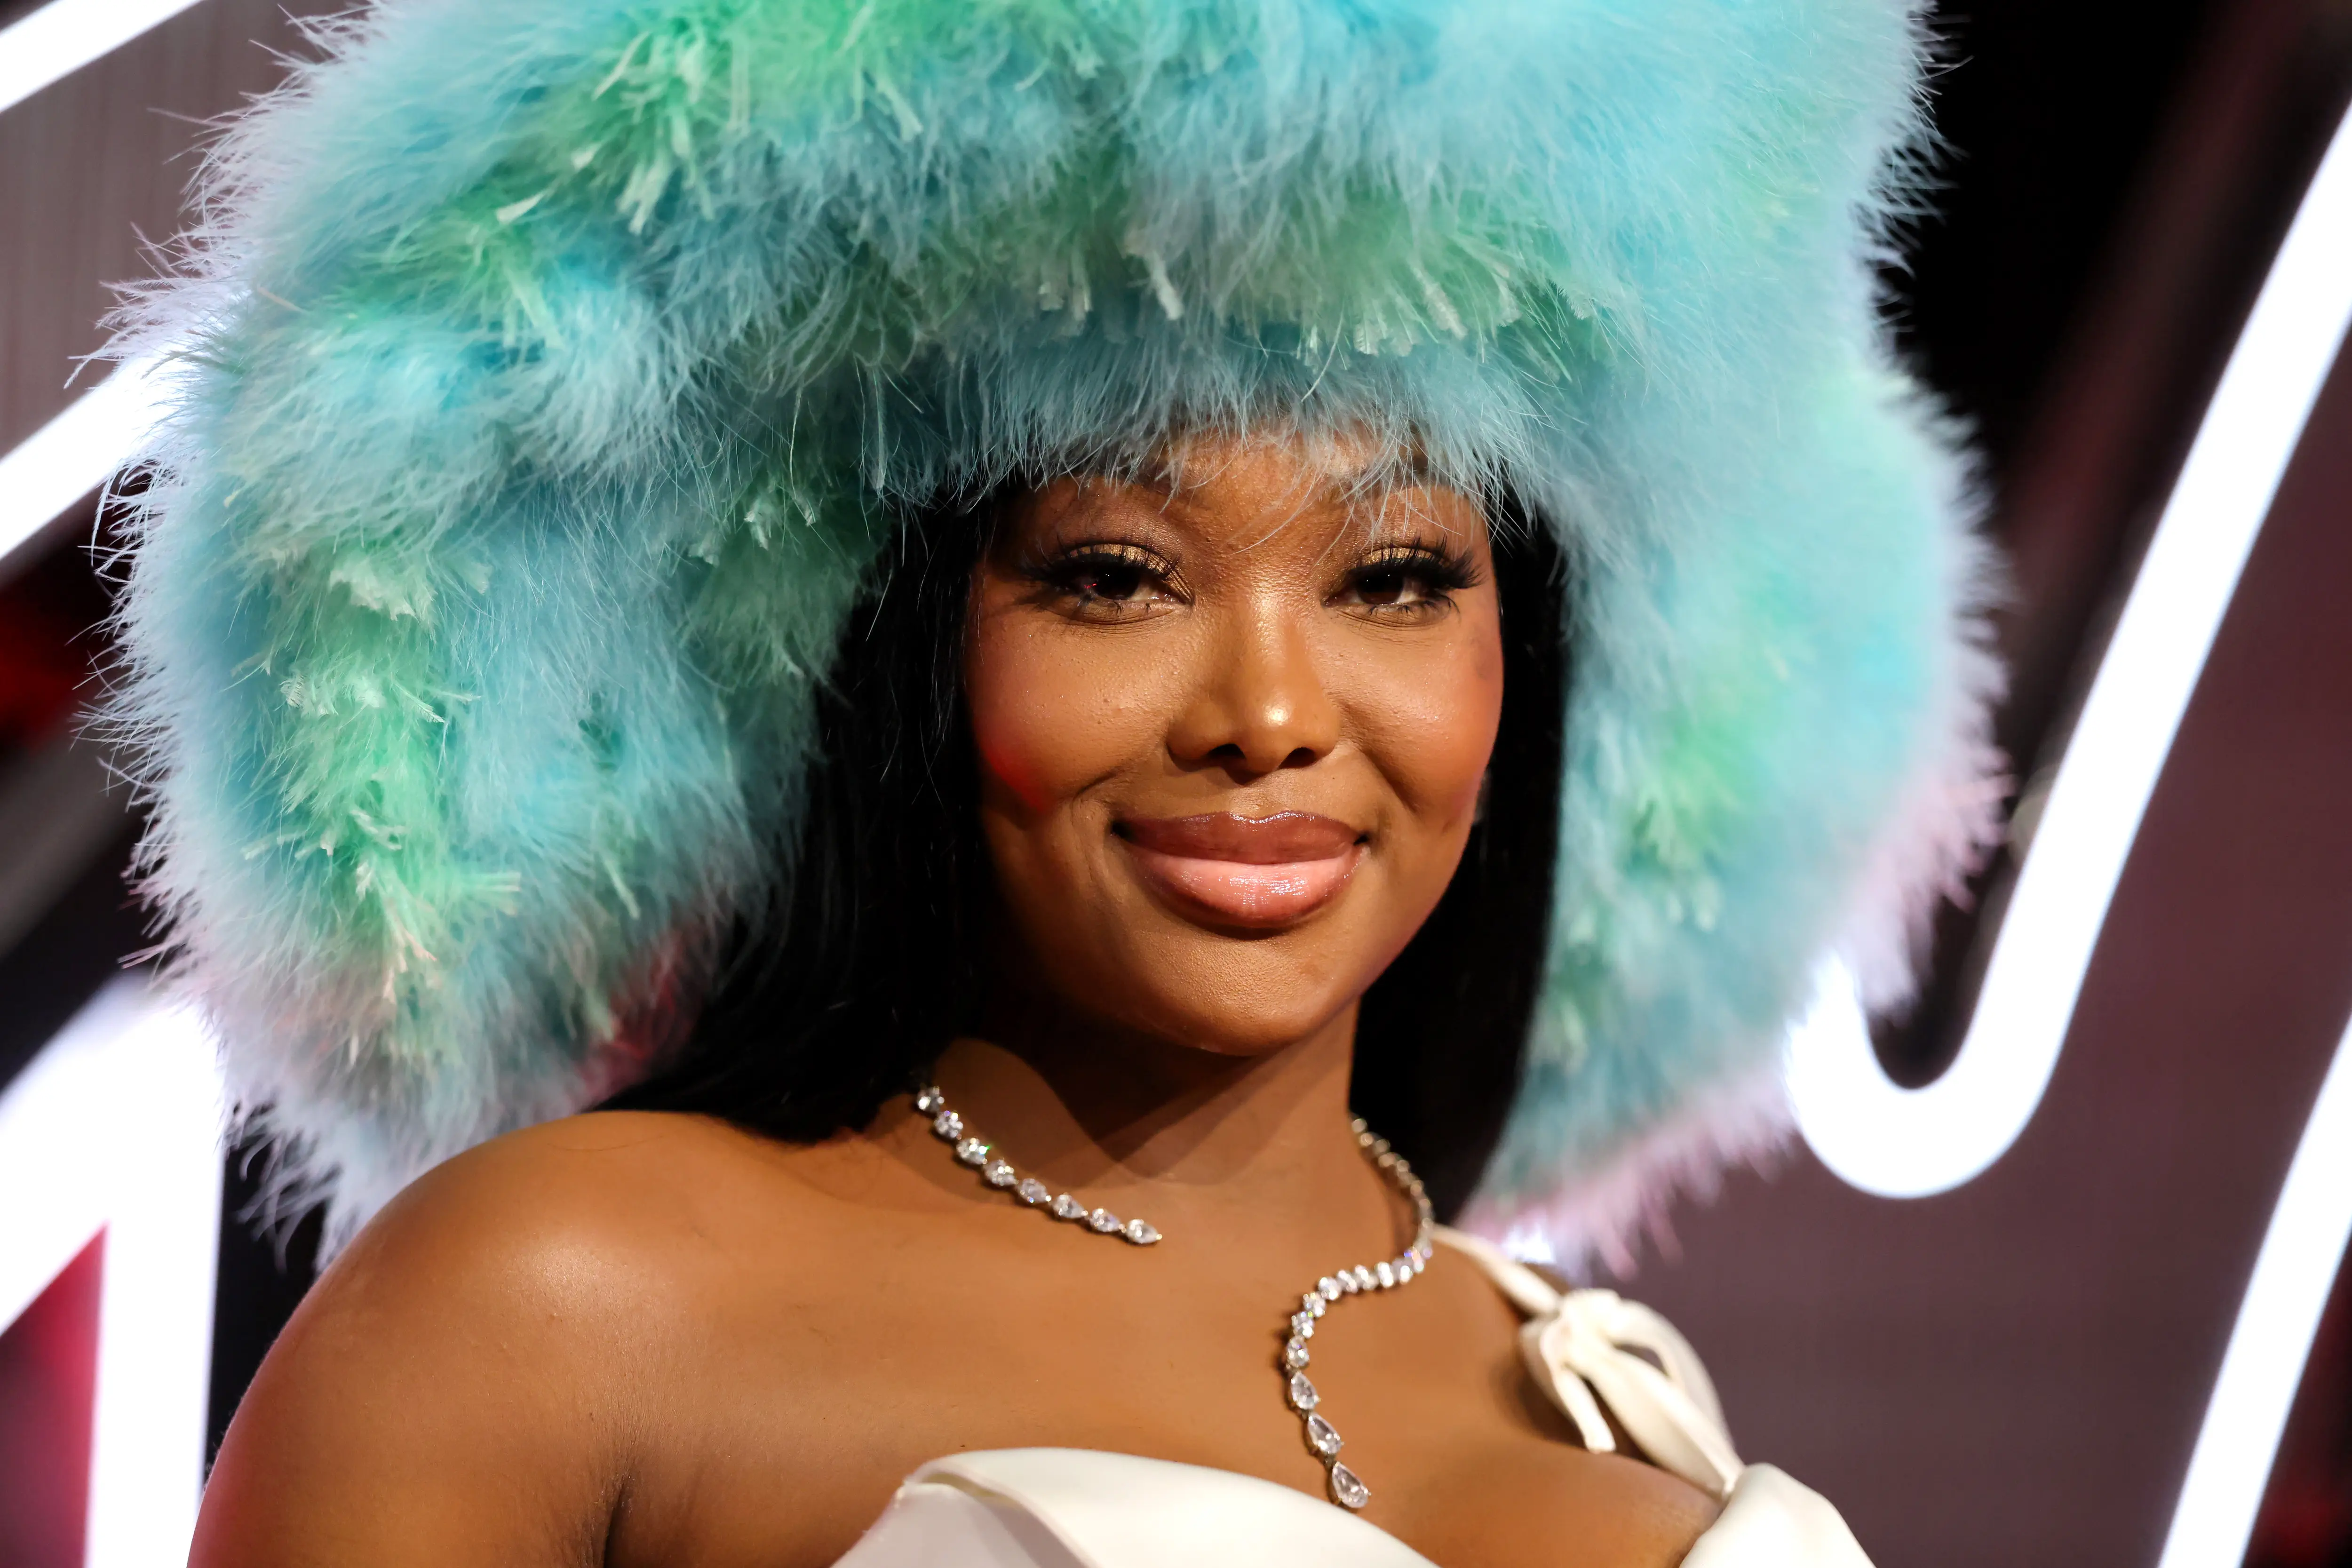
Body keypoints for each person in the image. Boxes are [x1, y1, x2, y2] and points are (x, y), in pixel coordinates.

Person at [114, 1, 1999, 1562]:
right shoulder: (549, 1300)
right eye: (1113, 576)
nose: (1268, 711)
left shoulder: (1602, 1380)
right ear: (900, 651)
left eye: (1393, 578)